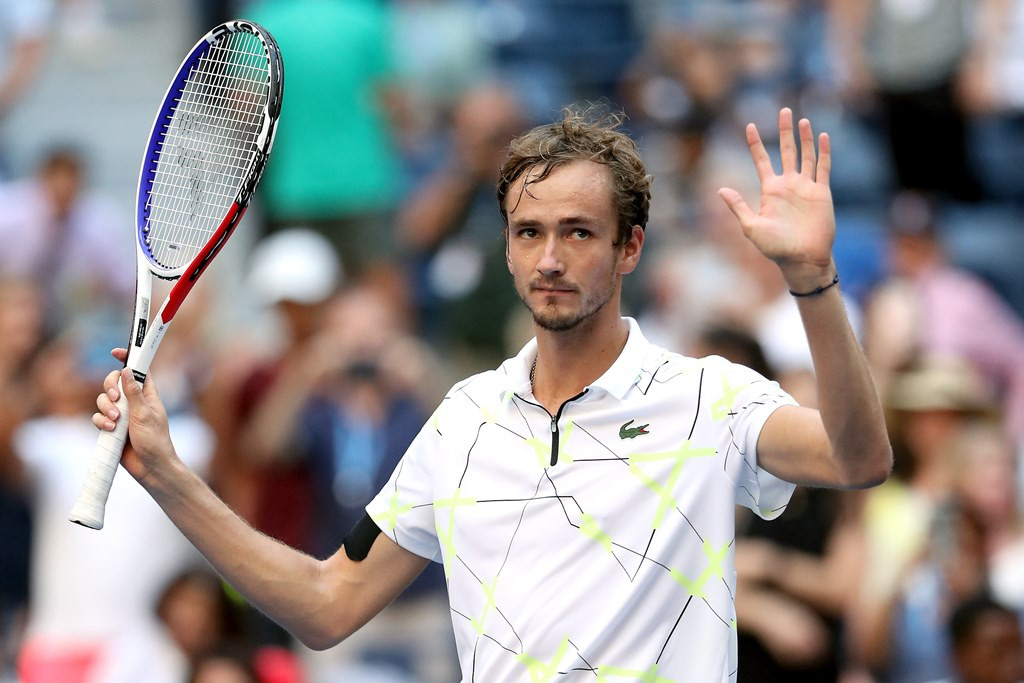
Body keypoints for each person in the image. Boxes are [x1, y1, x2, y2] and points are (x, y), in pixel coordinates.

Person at [90, 106, 892, 681]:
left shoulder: (710, 397)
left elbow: (858, 457)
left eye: (578, 231)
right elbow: (326, 603)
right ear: (507, 247)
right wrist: (167, 474)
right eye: (528, 231)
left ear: (629, 248)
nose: (549, 257)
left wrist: (811, 280)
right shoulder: (462, 421)